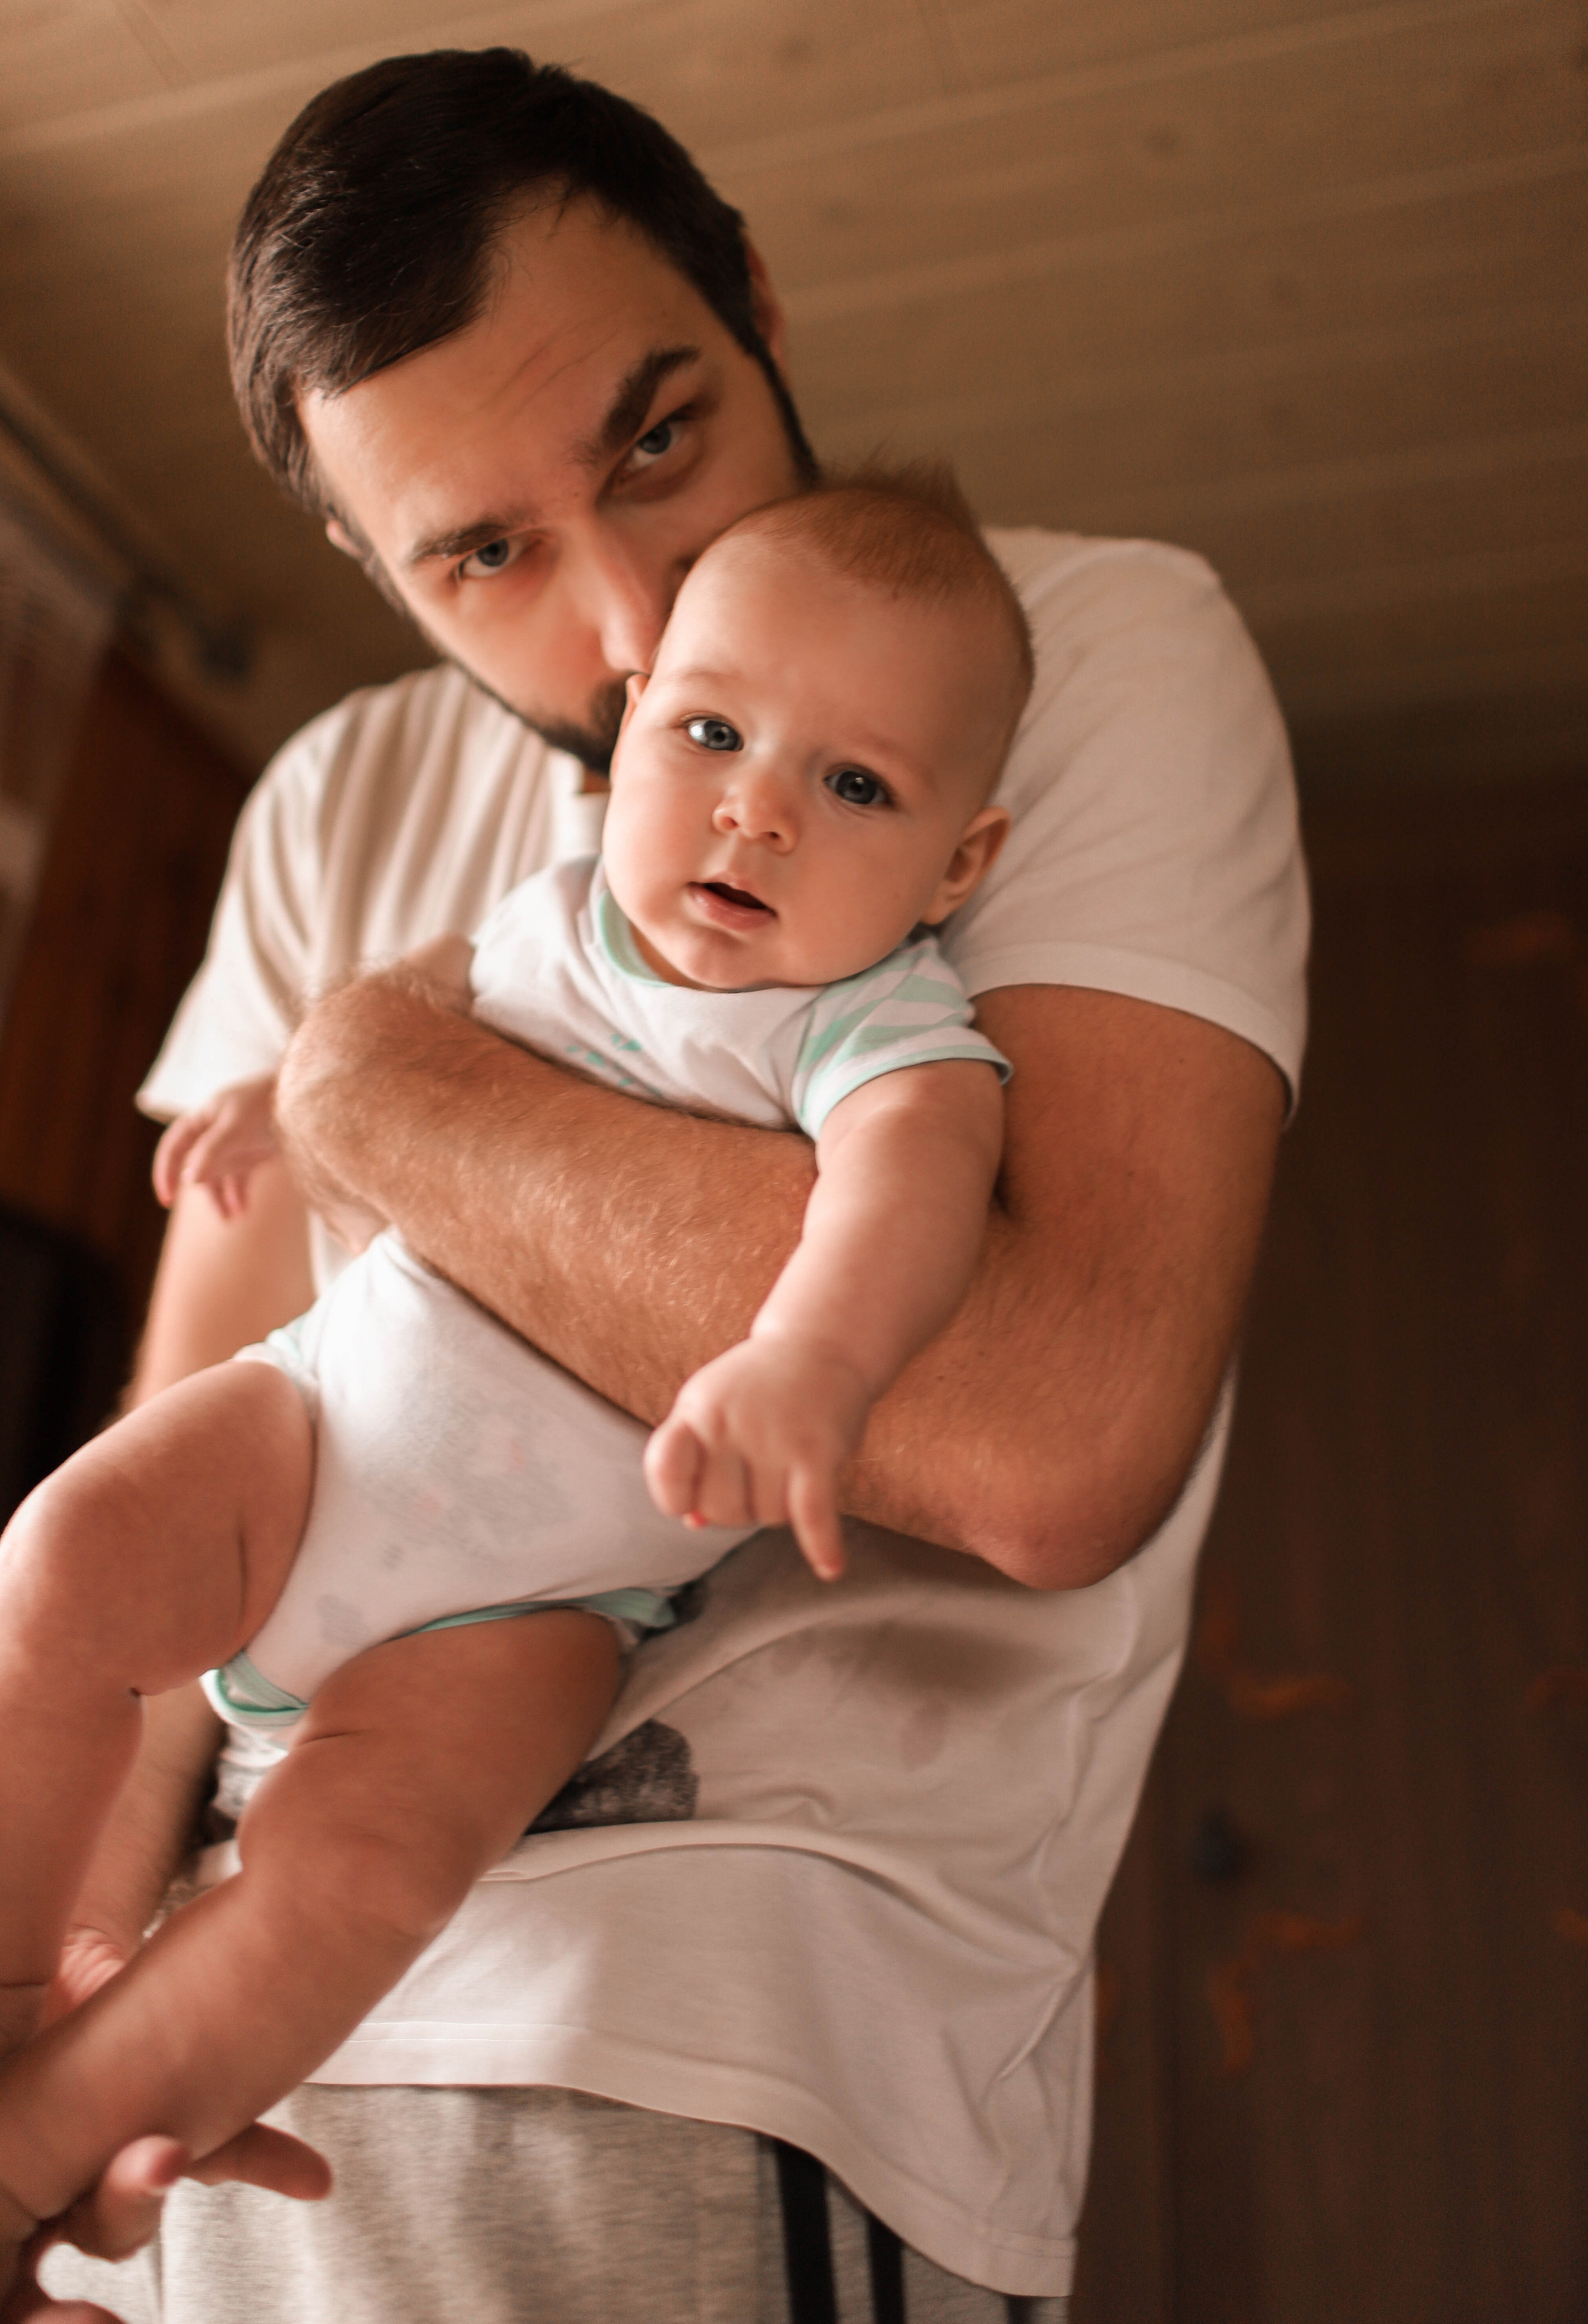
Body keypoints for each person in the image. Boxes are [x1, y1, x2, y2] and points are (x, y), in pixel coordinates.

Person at [30, 50, 1306, 2323]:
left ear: (757, 309)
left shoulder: (1073, 651)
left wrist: (364, 1075)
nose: (634, 626)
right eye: (485, 553)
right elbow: (178, 1483)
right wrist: (73, 2000)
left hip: (709, 2039)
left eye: (653, 440)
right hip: (219, 2067)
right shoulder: (328, 808)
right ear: (370, 565)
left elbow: (1049, 1438)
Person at [0, 469, 1025, 2296]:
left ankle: (35, 2155)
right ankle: (13, 1976)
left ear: (960, 866)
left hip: (531, 1605)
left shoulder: (875, 1027)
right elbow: (394, 1027)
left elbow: (912, 1194)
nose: (758, 812)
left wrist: (812, 1358)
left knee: (364, 1879)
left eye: (858, 787)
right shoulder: (549, 914)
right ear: (630, 730)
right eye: (713, 733)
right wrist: (280, 1099)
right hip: (312, 1432)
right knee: (59, 1555)